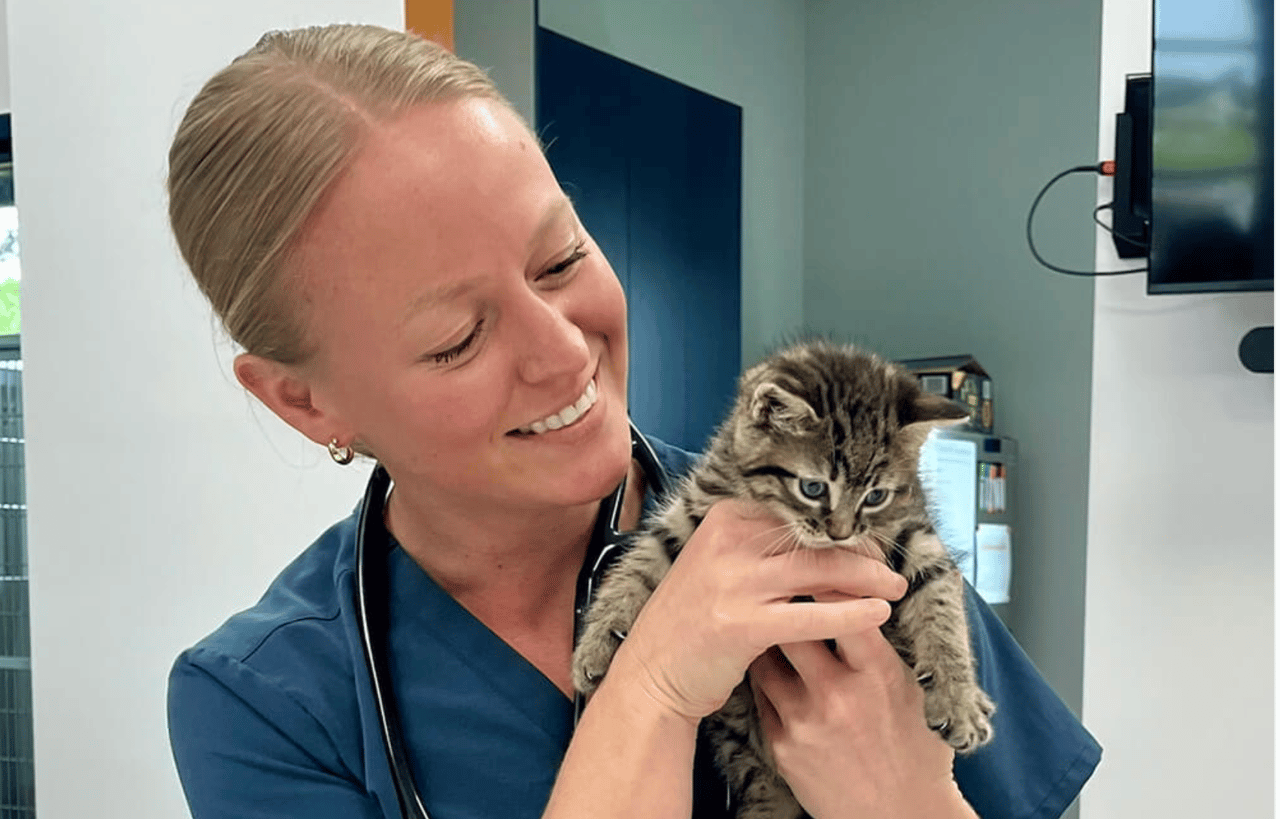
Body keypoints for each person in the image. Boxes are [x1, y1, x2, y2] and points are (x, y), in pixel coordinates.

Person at [166, 23, 1100, 819]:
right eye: (457, 338)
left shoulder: (842, 532)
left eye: (561, 259)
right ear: (306, 400)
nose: (566, 352)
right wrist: (650, 689)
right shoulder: (271, 704)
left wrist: (907, 801)